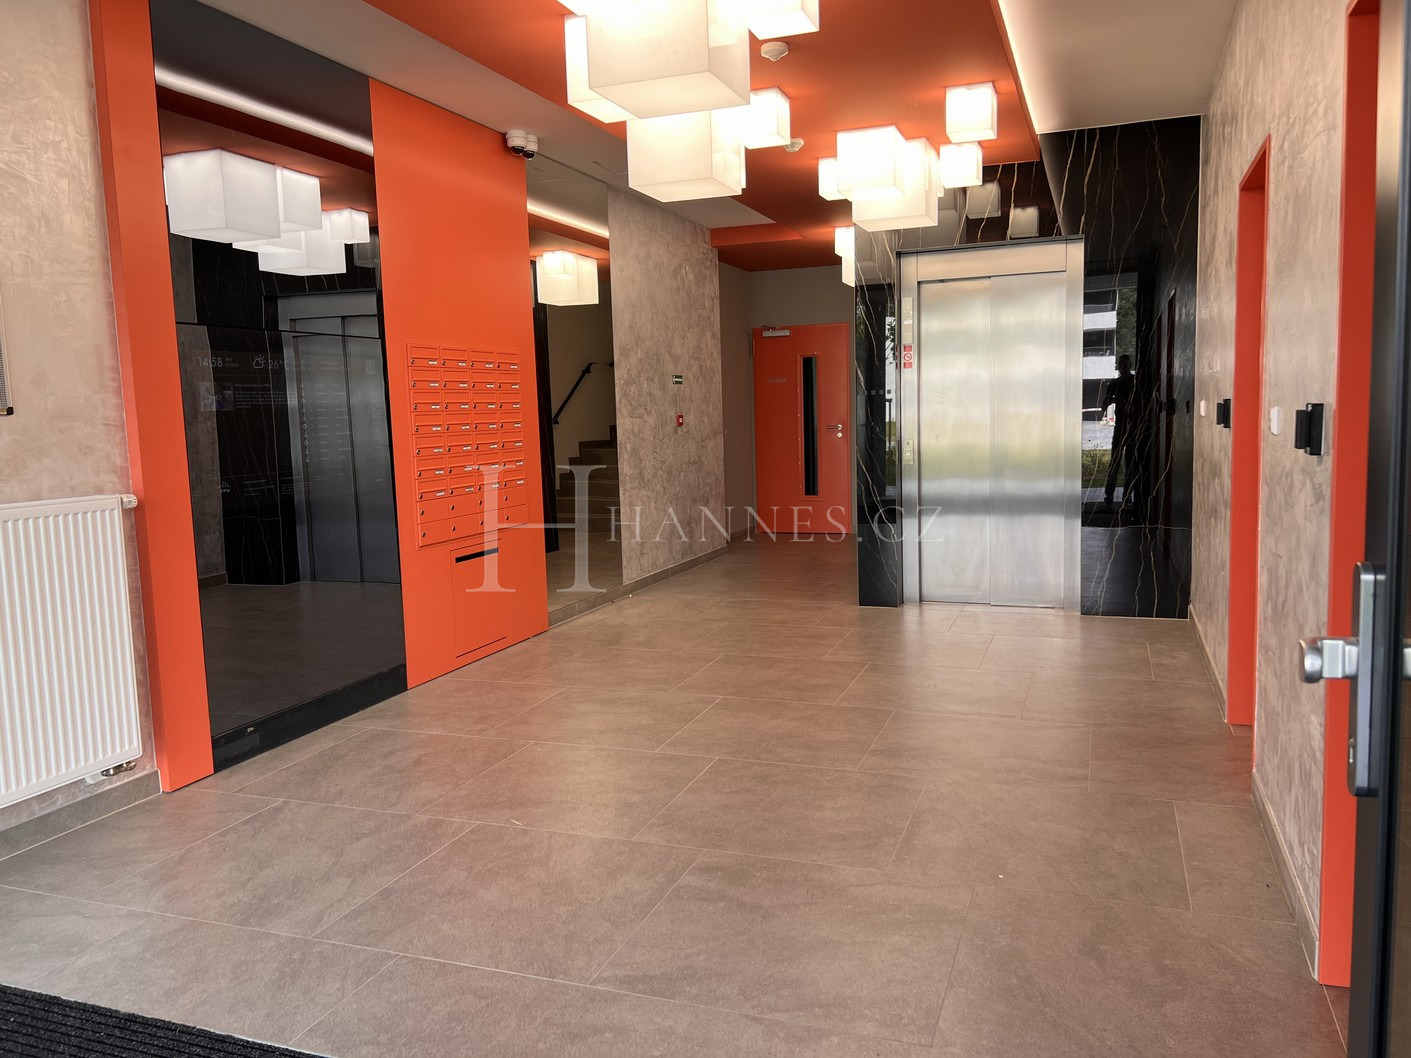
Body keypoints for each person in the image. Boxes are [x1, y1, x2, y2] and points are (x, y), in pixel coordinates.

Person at [1099, 354, 1139, 511]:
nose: (1123, 367)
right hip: (1120, 427)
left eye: (1126, 364)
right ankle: (1109, 498)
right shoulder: (1114, 384)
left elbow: (1141, 404)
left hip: (1133, 427)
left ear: (1130, 365)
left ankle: (1127, 498)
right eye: (1121, 364)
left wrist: (1128, 405)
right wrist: (1111, 400)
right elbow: (1104, 405)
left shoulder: (1135, 382)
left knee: (1130, 464)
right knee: (1114, 463)